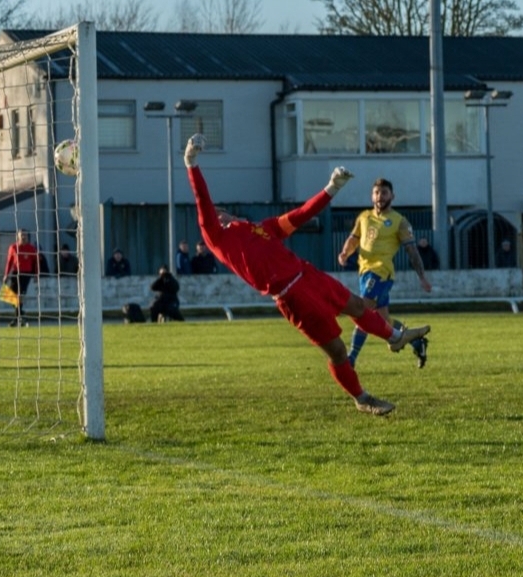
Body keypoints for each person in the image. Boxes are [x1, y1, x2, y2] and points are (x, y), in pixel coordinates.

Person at [184, 133, 429, 415]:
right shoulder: (217, 238)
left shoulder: (261, 228)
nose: (220, 216)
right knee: (337, 351)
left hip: (308, 274)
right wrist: (191, 162)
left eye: (222, 213)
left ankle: (394, 337)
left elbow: (300, 214)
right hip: (292, 296)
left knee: (358, 305)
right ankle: (361, 398)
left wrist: (331, 188)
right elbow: (202, 200)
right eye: (216, 216)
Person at [337, 177, 432, 369]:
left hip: (381, 273)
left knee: (362, 311)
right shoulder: (364, 217)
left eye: (384, 193)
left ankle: (351, 359)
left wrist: (422, 276)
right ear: (372, 196)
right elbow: (354, 239)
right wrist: (345, 252)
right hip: (365, 273)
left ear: (392, 196)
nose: (380, 196)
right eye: (376, 193)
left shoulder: (399, 221)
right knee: (382, 319)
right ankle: (416, 342)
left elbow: (412, 250)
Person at [2, 229, 40, 327]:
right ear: (18, 236)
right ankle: (20, 314)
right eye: (22, 235)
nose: (24, 237)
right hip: (15, 273)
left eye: (25, 235)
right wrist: (6, 274)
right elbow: (9, 262)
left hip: (26, 274)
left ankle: (17, 319)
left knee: (20, 295)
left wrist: (36, 275)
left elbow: (36, 263)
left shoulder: (31, 248)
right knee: (8, 295)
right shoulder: (13, 247)